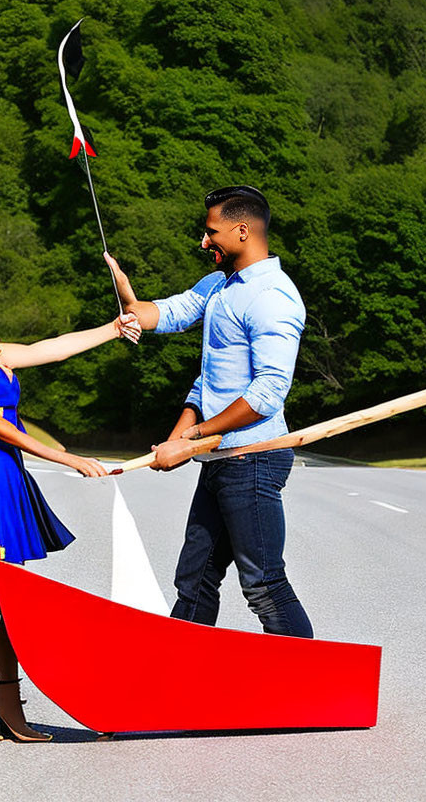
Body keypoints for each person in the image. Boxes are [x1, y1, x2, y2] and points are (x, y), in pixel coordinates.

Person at [0, 253, 141, 743]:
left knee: (9, 594)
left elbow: (52, 348)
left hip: (6, 473)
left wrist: (113, 328)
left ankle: (5, 697)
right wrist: (65, 458)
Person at [103, 185, 313, 638]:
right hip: (220, 458)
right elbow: (162, 316)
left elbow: (268, 393)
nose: (204, 241)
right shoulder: (220, 286)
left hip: (255, 456)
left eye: (211, 231)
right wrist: (126, 296)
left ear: (242, 230)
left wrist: (192, 439)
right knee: (195, 579)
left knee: (263, 584)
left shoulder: (274, 295)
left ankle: (309, 694)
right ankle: (180, 682)